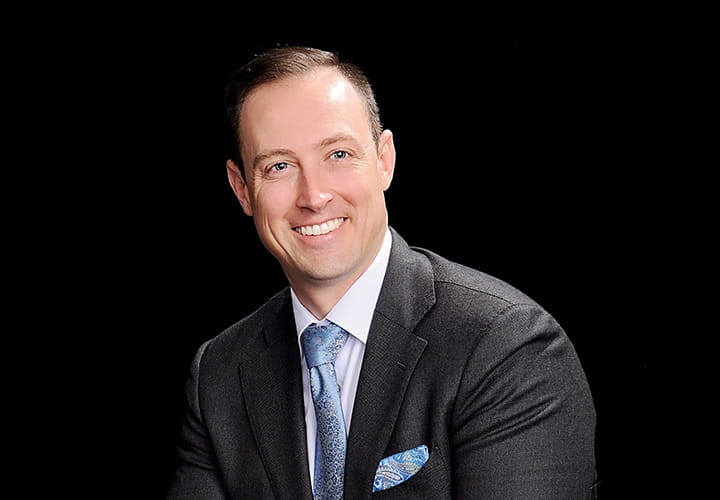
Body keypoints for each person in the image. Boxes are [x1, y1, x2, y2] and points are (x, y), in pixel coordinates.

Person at [167, 45, 597, 499]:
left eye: (337, 154)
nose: (313, 196)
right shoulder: (220, 372)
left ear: (384, 158)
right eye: (279, 166)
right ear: (242, 190)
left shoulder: (505, 346)